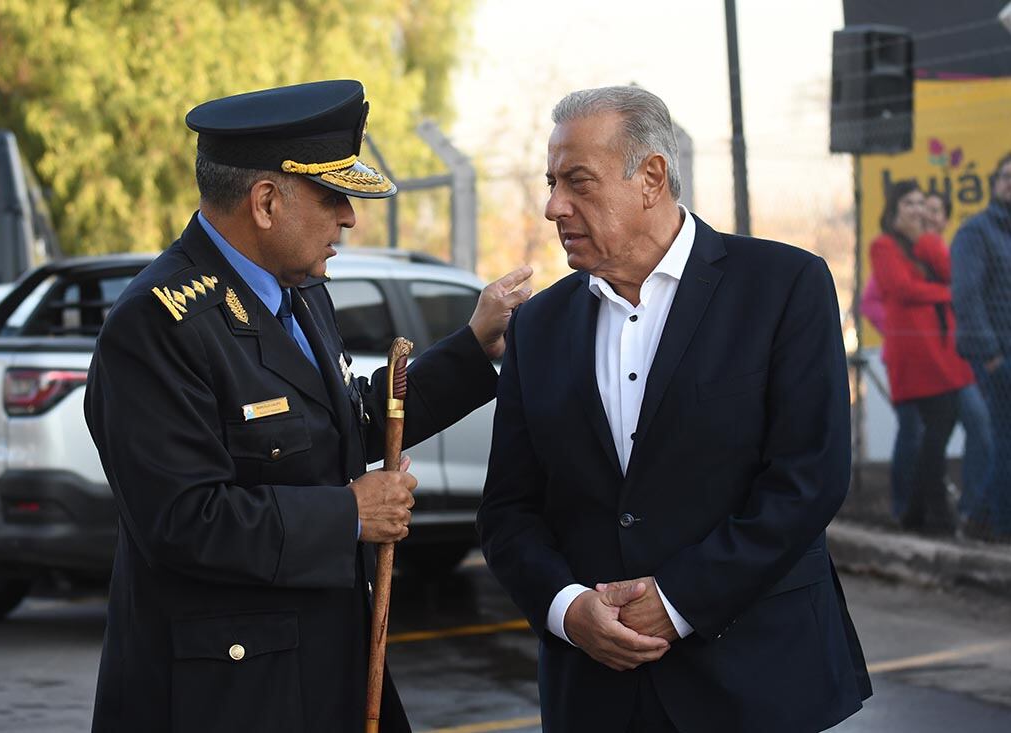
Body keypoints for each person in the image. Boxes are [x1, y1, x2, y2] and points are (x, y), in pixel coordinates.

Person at [84, 79, 532, 733]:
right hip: (226, 696)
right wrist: (350, 511)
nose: (349, 218)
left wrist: (471, 346)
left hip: (322, 671)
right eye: (333, 198)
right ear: (266, 201)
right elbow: (184, 520)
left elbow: (339, 426)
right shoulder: (159, 324)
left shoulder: (300, 293)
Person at [477, 86, 870, 733]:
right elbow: (507, 510)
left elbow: (808, 479)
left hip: (756, 684)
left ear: (651, 178)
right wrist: (567, 606)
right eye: (551, 182)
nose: (553, 206)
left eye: (577, 182)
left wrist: (681, 598)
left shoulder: (783, 286)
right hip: (595, 693)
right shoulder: (538, 325)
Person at [862, 191, 992, 529]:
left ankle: (923, 511)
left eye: (923, 205)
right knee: (919, 432)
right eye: (910, 204)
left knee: (939, 430)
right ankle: (917, 509)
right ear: (893, 212)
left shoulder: (928, 246)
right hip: (915, 357)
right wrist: (948, 295)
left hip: (944, 354)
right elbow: (901, 289)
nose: (919, 211)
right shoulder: (885, 247)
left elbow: (953, 274)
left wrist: (926, 241)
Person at [952, 151, 1011, 540]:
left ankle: (985, 518)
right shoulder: (977, 232)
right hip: (998, 357)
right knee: (1004, 438)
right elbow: (966, 295)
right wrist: (989, 356)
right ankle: (988, 520)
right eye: (1007, 176)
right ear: (994, 184)